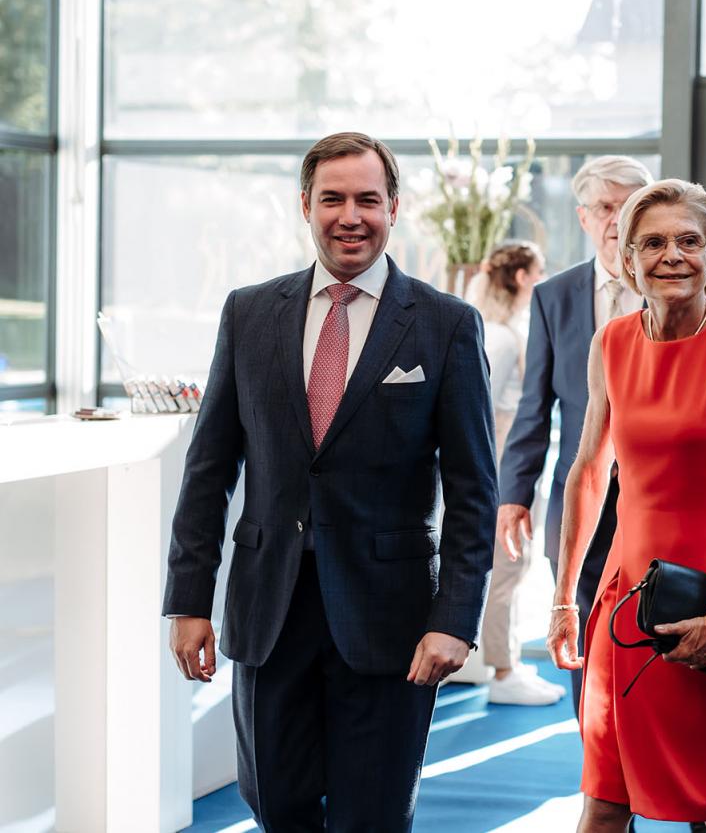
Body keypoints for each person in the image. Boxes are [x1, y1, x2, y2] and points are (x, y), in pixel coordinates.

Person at [163, 132, 497, 830]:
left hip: (391, 621)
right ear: (306, 206)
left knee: (370, 814)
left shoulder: (445, 326)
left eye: (368, 199)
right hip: (269, 610)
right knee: (276, 802)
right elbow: (209, 469)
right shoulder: (249, 312)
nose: (351, 215)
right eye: (333, 198)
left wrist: (455, 620)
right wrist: (190, 596)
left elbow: (474, 494)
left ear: (394, 207)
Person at [547, 179, 706, 831]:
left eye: (690, 240)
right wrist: (565, 597)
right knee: (605, 799)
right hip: (628, 593)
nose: (672, 255)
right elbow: (587, 473)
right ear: (628, 259)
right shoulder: (611, 343)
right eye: (653, 242)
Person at [497, 156, 653, 716]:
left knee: (658, 633)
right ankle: (600, 762)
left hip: (663, 498)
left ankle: (657, 766)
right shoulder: (553, 296)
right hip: (582, 498)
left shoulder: (687, 287)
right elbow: (534, 408)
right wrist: (515, 494)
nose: (619, 219)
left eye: (630, 205)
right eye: (607, 207)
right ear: (585, 217)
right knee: (584, 633)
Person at [467, 241, 566, 704]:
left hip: (515, 458)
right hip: (504, 462)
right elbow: (481, 408)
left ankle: (502, 662)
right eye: (539, 269)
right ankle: (503, 670)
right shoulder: (501, 336)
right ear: (523, 276)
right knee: (507, 564)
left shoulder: (511, 327)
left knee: (513, 564)